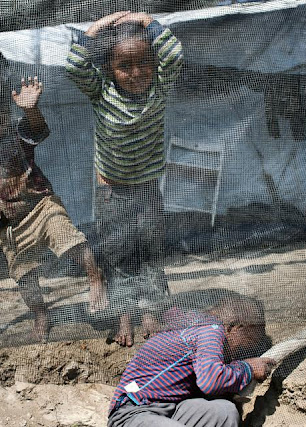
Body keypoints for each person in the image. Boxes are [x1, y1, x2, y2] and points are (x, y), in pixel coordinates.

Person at [0, 68, 107, 341]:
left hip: (40, 206)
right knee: (24, 275)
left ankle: (95, 277)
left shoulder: (15, 132)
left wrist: (31, 110)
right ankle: (40, 313)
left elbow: (38, 131)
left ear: (6, 111)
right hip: (8, 223)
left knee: (69, 240)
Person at [66, 11, 184, 347]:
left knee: (149, 251)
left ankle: (150, 312)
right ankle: (123, 315)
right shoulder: (101, 92)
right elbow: (74, 65)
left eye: (144, 62)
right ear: (109, 69)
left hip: (147, 189)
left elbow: (174, 53)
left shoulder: (158, 88)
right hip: (111, 193)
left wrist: (146, 20)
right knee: (118, 255)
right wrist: (98, 29)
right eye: (124, 66)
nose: (136, 73)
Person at [107, 295, 276, 427]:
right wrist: (248, 368)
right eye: (255, 335)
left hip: (171, 409)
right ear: (235, 327)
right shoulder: (211, 329)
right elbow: (211, 380)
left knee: (225, 412)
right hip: (134, 413)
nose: (257, 343)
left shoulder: (195, 321)